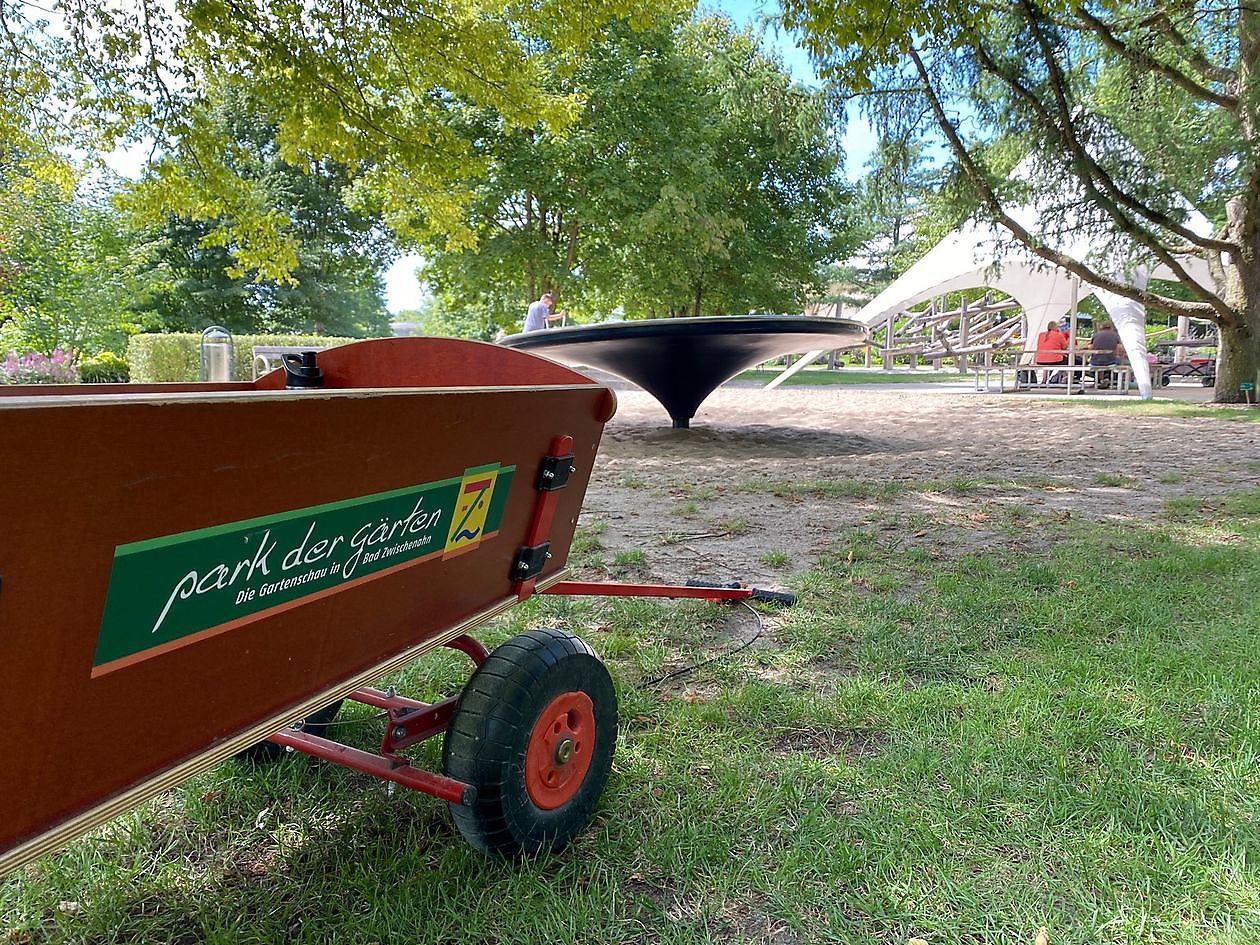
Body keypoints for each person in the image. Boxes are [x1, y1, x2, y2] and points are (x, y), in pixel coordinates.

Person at [1089, 319, 1125, 389]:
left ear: (1101, 327)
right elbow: (1118, 348)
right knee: (1120, 362)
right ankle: (1109, 378)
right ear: (1111, 327)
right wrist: (1118, 355)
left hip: (1095, 361)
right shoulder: (1115, 335)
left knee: (1096, 364)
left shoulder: (1096, 335)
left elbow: (1091, 347)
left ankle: (1099, 380)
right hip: (1110, 361)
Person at [1034, 319, 1069, 384]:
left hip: (1040, 360)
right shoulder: (1059, 335)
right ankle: (1064, 378)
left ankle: (1044, 379)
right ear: (1056, 327)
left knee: (1048, 360)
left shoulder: (1041, 335)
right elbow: (1065, 347)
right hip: (1055, 360)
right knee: (1068, 361)